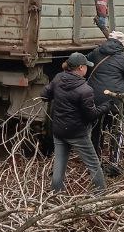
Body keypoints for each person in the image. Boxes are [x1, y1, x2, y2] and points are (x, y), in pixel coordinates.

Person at [40, 52, 109, 194]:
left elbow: (44, 95)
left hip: (59, 130)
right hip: (77, 133)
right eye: (86, 67)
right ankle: (101, 195)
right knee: (94, 165)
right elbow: (91, 115)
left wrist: (56, 95)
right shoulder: (85, 90)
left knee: (59, 164)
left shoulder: (58, 78)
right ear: (80, 68)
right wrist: (106, 106)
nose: (87, 69)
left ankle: (55, 194)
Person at [86, 30, 124, 175]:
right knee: (116, 131)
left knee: (96, 131)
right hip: (114, 100)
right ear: (122, 43)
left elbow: (86, 66)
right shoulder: (123, 57)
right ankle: (113, 164)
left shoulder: (95, 52)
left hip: (94, 98)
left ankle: (95, 164)